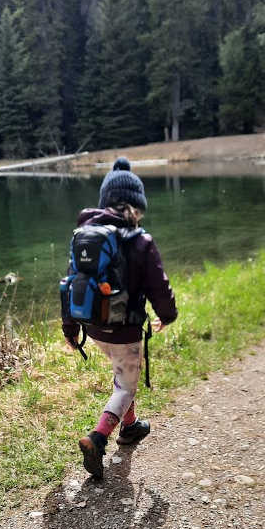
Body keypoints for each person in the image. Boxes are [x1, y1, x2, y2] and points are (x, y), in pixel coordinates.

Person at [62, 158, 177, 480]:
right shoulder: (141, 241)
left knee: (122, 378)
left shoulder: (84, 236)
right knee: (125, 386)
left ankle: (130, 428)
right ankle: (98, 437)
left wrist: (70, 329)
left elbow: (69, 284)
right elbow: (160, 287)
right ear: (137, 205)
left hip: (94, 326)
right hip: (125, 330)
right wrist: (168, 316)